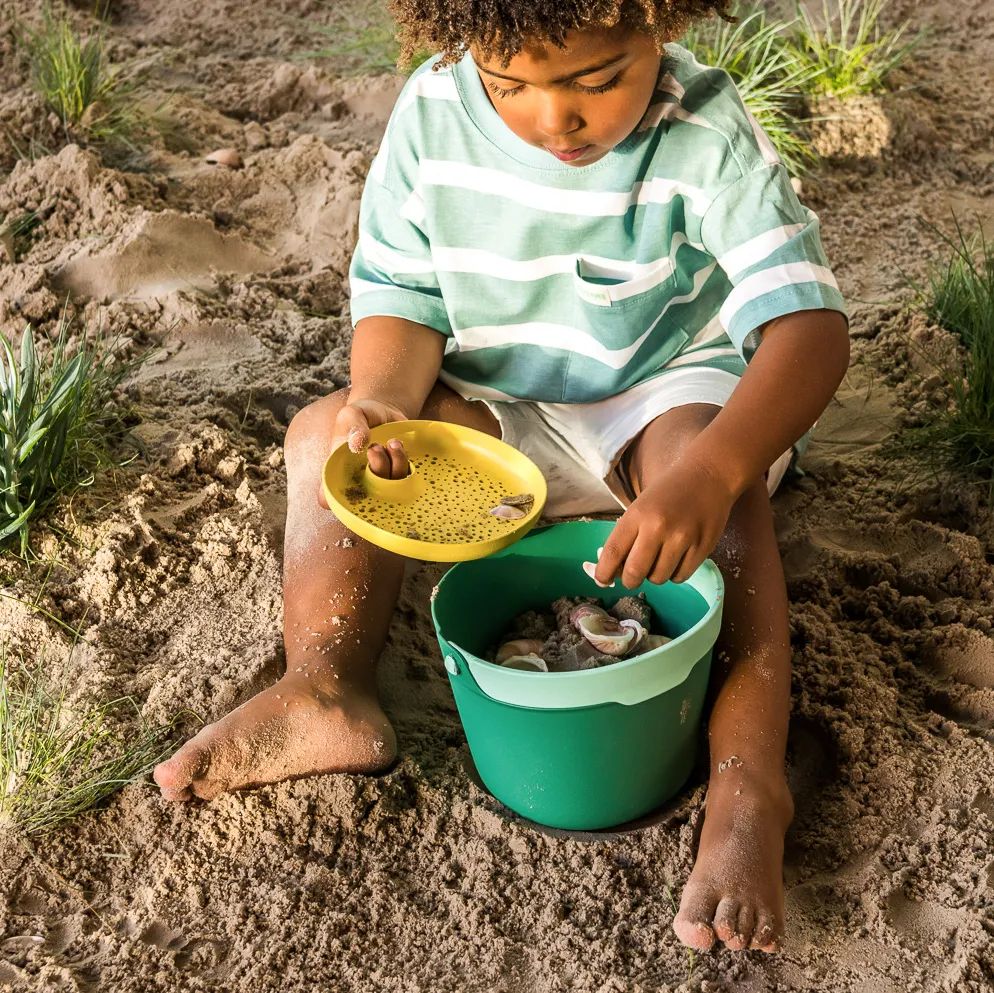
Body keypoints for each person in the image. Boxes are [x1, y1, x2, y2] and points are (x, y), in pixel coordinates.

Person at [154, 0, 850, 954]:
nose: (551, 121)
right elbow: (402, 297)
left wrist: (720, 470)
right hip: (498, 415)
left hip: (666, 395)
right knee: (325, 440)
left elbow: (809, 331)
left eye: (597, 82)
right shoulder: (432, 113)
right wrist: (385, 400)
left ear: (657, 21)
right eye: (509, 85)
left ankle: (746, 776)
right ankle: (327, 684)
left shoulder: (702, 130)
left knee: (710, 480)